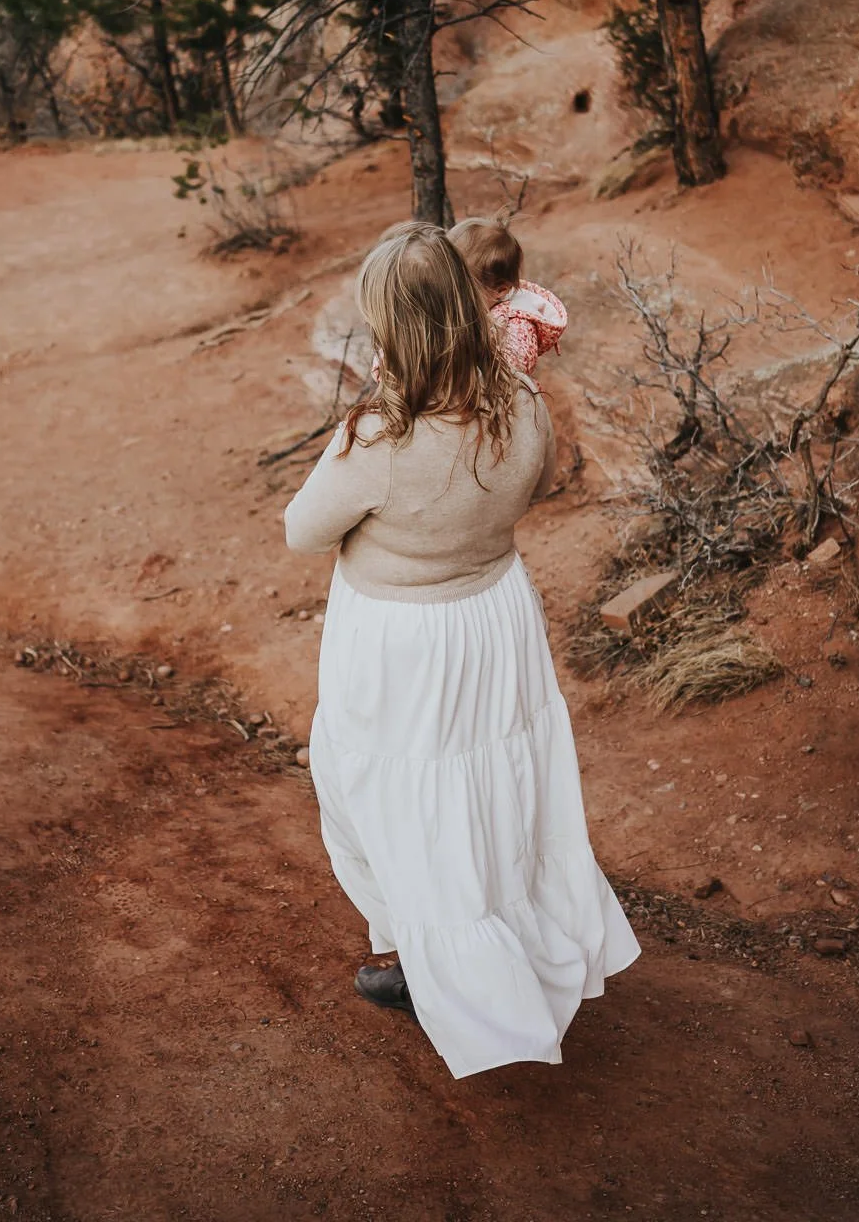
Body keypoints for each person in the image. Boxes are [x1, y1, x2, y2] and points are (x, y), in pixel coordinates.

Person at [283, 221, 638, 1078]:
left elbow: (302, 531)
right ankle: (512, 939)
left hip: (403, 640)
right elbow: (538, 484)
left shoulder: (378, 436)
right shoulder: (521, 401)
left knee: (388, 789)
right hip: (494, 618)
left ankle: (425, 960)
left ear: (394, 329)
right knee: (494, 784)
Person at [447, 217, 568, 377]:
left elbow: (511, 373)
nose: (451, 292)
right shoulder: (482, 302)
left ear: (500, 290)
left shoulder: (519, 328)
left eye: (462, 287)